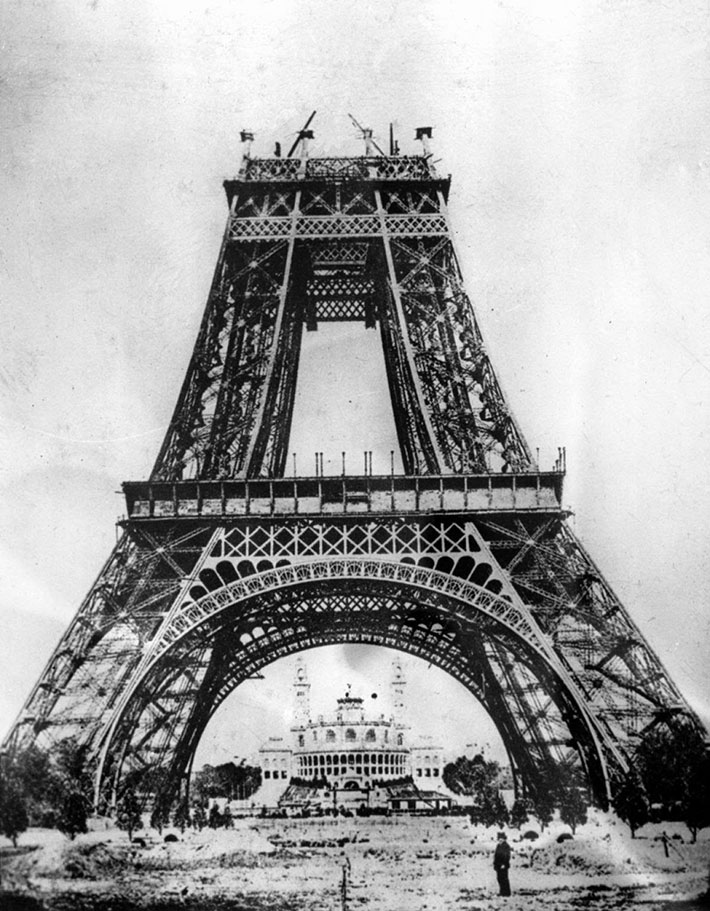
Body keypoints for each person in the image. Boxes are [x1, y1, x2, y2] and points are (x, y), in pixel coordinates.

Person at [493, 831, 512, 896]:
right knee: (499, 878)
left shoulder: (506, 846)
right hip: (498, 865)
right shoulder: (498, 846)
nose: (500, 840)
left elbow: (507, 856)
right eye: (499, 839)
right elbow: (496, 855)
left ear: (504, 839)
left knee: (504, 878)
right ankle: (502, 892)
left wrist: (504, 864)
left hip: (503, 865)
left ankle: (506, 893)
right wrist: (495, 864)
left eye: (501, 839)